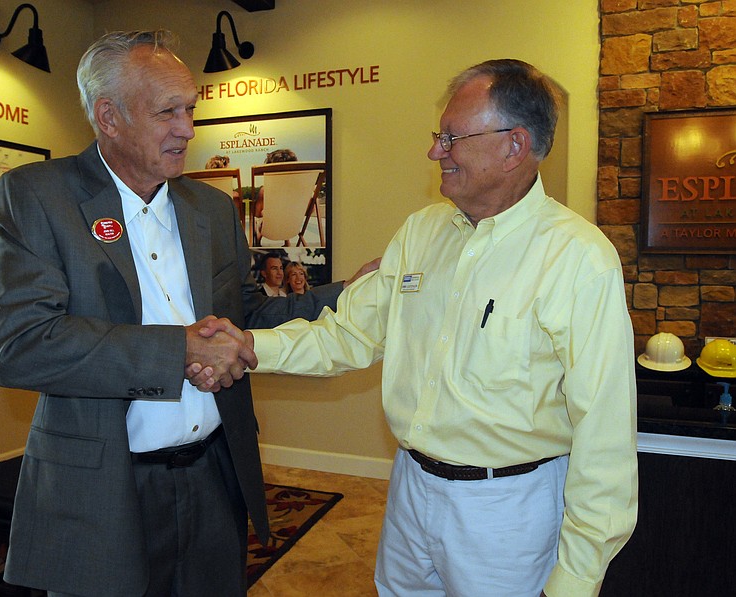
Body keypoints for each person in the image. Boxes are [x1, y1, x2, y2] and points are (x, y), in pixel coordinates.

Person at [194, 59, 638, 597]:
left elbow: (605, 429)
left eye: (451, 137)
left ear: (514, 145)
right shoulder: (421, 232)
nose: (435, 152)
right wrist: (247, 345)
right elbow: (347, 335)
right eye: (438, 136)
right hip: (409, 487)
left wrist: (577, 576)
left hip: (506, 512)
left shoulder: (578, 258)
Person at [0, 29, 374, 597]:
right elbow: (22, 346)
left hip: (214, 477)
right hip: (108, 490)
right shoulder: (39, 196)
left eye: (190, 109)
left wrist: (346, 292)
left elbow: (249, 315)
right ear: (109, 117)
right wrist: (180, 349)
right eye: (168, 112)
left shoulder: (209, 208)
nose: (188, 129)